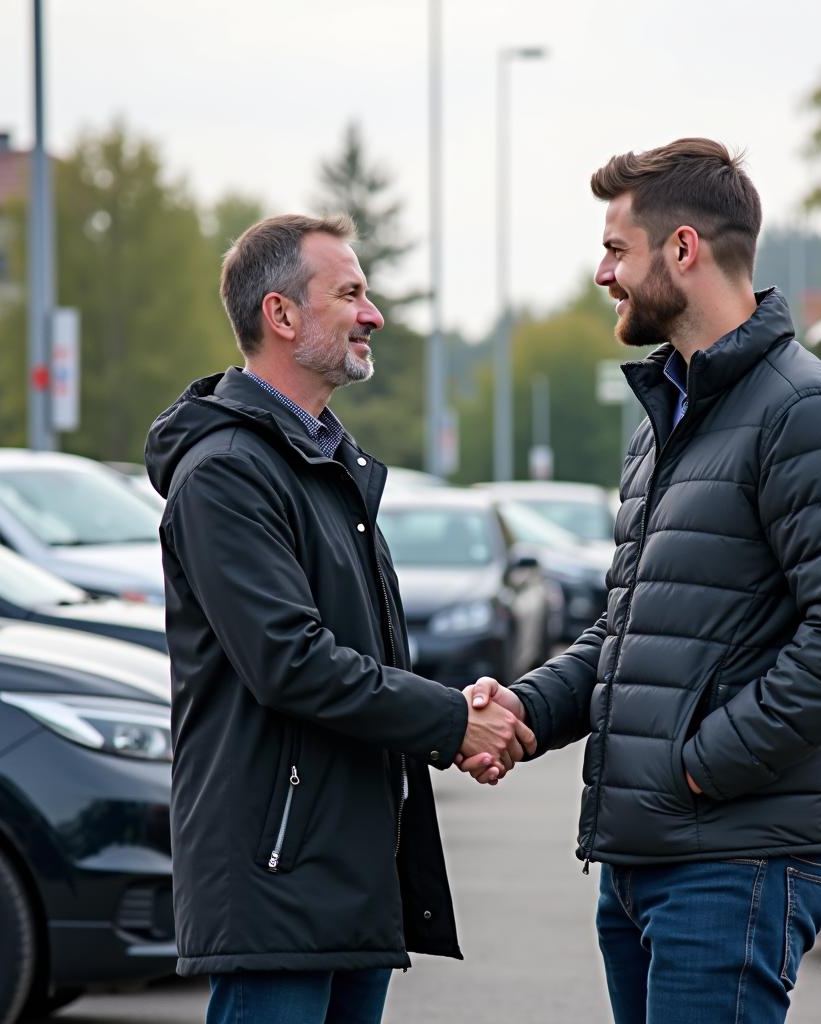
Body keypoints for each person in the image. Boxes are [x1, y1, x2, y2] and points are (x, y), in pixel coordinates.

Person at [460, 139, 821, 1023]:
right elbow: (629, 630)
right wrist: (526, 709)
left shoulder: (804, 412)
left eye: (615, 250)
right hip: (647, 859)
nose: (603, 274)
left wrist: (701, 767)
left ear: (684, 248)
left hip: (733, 861)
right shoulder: (666, 417)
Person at [144, 213, 534, 1024]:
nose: (372, 314)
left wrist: (456, 721)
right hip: (277, 880)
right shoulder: (226, 473)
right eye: (350, 293)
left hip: (347, 873)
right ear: (281, 315)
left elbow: (364, 656)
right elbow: (292, 661)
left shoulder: (322, 466)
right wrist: (453, 721)